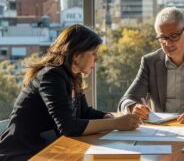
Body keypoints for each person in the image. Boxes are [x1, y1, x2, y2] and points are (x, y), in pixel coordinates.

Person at [0, 24, 140, 160]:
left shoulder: (72, 76)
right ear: (76, 55)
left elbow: (84, 112)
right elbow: (68, 127)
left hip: (47, 150)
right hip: (23, 153)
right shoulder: (51, 76)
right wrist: (115, 123)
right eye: (93, 53)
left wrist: (109, 117)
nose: (97, 59)